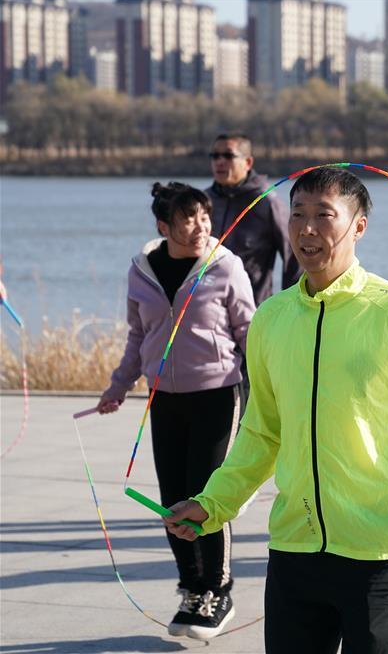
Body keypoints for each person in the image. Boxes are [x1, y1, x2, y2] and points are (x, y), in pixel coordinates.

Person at [164, 167, 388, 654]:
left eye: (324, 216)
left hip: (379, 549)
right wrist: (213, 503)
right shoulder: (271, 319)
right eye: (297, 215)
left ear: (359, 226)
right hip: (294, 546)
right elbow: (262, 432)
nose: (307, 229)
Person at [98, 182, 255, 639]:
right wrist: (118, 386)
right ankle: (191, 589)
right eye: (189, 219)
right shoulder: (141, 271)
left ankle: (218, 590)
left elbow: (250, 332)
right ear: (164, 226)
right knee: (172, 498)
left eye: (205, 216)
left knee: (207, 495)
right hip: (163, 397)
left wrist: (275, 387)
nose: (201, 226)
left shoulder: (225, 265)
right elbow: (137, 336)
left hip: (217, 393)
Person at [206, 133, 300, 306]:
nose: (219, 161)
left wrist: (290, 307)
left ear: (248, 162)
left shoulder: (267, 202)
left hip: (253, 309)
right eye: (215, 156)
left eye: (228, 156)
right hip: (208, 307)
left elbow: (294, 257)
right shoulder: (205, 201)